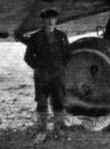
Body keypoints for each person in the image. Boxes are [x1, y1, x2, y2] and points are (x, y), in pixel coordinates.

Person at [23, 8, 72, 141]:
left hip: (57, 75)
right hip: (42, 77)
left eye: (53, 19)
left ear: (56, 20)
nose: (50, 22)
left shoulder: (62, 36)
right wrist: (39, 68)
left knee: (59, 102)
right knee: (42, 103)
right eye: (47, 19)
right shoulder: (35, 37)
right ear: (43, 21)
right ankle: (42, 131)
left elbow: (68, 55)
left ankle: (59, 130)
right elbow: (27, 57)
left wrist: (60, 68)